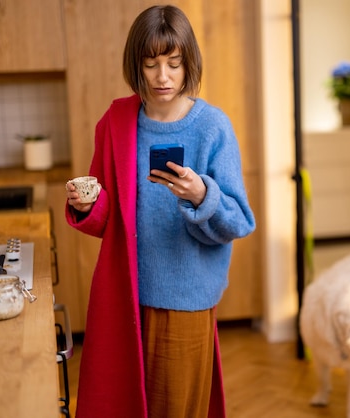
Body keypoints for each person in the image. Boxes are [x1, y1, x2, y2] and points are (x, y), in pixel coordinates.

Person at [65, 5, 256, 418]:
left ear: (190, 64)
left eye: (174, 63)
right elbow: (107, 217)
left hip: (183, 302)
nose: (162, 77)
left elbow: (239, 220)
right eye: (150, 64)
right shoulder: (115, 122)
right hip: (124, 297)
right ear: (136, 64)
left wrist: (202, 194)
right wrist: (87, 204)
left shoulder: (212, 127)